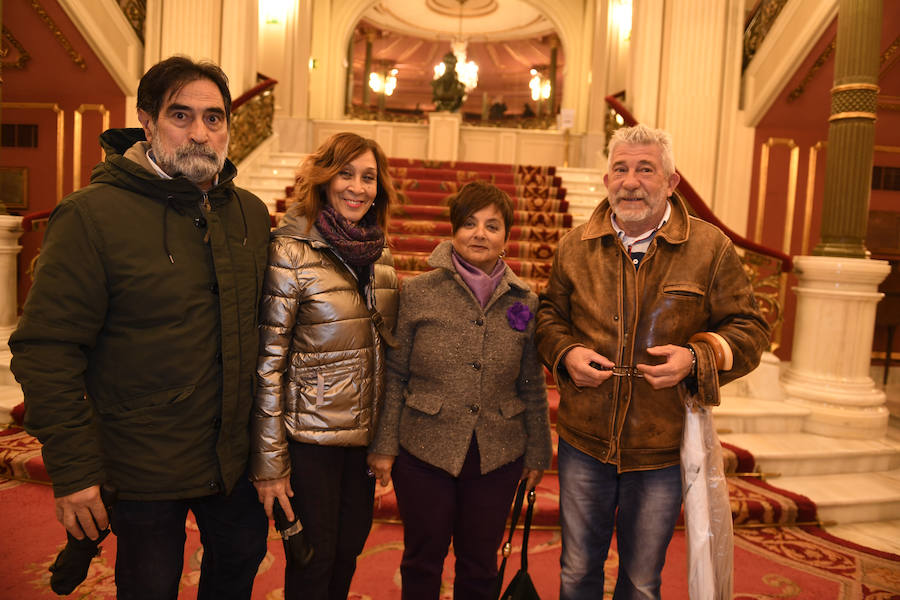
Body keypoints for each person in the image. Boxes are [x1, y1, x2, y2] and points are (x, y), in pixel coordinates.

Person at [9, 56, 271, 599]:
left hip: (233, 460)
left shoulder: (248, 212)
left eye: (214, 117)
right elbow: (46, 350)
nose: (201, 132)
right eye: (182, 115)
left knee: (239, 570)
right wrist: (76, 470)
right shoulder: (91, 215)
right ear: (147, 122)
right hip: (141, 465)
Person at [535, 124, 770, 600]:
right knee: (576, 571)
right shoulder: (573, 247)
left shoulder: (711, 249)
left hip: (661, 448)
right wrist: (566, 352)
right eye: (620, 169)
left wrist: (695, 357)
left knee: (642, 582)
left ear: (671, 182)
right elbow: (547, 317)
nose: (630, 181)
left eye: (646, 169)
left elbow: (751, 330)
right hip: (585, 442)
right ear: (606, 181)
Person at [368, 181, 553, 600]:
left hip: (498, 453)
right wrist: (383, 445)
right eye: (469, 224)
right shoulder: (416, 292)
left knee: (480, 565)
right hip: (423, 450)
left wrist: (538, 451)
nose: (479, 234)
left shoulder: (524, 301)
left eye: (492, 225)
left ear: (506, 237)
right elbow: (395, 374)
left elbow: (531, 381)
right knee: (422, 559)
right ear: (453, 230)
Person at [250, 132, 400, 600]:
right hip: (308, 441)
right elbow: (268, 365)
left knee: (347, 554)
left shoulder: (380, 257)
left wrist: (385, 440)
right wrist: (271, 463)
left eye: (369, 177)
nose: (358, 187)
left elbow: (390, 356)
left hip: (361, 443)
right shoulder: (289, 252)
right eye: (346, 174)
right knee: (312, 564)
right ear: (323, 179)